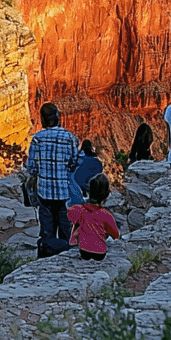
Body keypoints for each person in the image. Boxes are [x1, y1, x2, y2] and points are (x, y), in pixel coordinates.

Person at [26, 102, 79, 254]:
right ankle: (64, 260)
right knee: (65, 232)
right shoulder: (70, 138)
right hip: (64, 195)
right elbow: (74, 163)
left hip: (44, 193)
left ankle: (45, 259)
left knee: (47, 232)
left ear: (42, 119)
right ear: (58, 117)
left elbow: (32, 167)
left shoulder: (37, 139)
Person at [67, 174, 119, 262]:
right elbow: (116, 235)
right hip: (100, 254)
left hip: (84, 252)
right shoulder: (106, 214)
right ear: (106, 195)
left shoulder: (79, 209)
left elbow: (69, 214)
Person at [67, 139, 104, 207]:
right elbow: (99, 175)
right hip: (87, 193)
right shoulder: (96, 162)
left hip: (72, 194)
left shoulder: (75, 160)